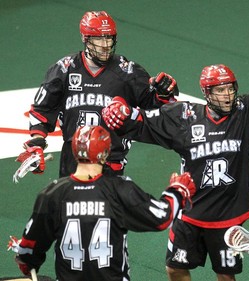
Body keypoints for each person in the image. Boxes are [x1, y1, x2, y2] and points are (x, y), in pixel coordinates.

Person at [101, 44, 249, 280]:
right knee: (175, 267)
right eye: (220, 90)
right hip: (191, 213)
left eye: (230, 89)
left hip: (227, 217)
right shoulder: (184, 117)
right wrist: (123, 114)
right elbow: (144, 123)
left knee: (225, 275)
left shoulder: (245, 112)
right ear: (207, 93)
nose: (227, 95)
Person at [9, 125, 196, 281]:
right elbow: (162, 217)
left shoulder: (52, 194)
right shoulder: (119, 189)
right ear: (106, 153)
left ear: (74, 150)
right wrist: (177, 191)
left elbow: (27, 252)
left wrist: (28, 262)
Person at [19, 10, 178, 178]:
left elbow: (156, 108)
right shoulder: (64, 69)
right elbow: (42, 110)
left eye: (109, 38)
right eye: (99, 39)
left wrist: (163, 93)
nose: (105, 44)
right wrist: (37, 142)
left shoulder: (128, 72)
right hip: (73, 160)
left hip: (111, 159)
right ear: (85, 39)